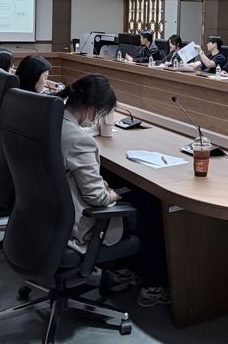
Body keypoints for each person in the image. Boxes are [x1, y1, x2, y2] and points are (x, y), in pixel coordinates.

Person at [57, 74, 171, 307]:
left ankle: (122, 272)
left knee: (123, 186)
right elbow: (97, 198)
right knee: (150, 203)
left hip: (49, 214)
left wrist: (104, 185)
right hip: (78, 224)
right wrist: (114, 194)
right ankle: (152, 285)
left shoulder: (53, 121)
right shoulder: (79, 139)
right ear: (92, 108)